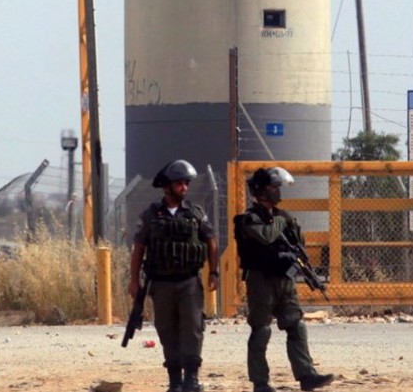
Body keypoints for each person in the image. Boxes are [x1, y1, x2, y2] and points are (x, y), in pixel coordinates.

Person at [234, 167, 334, 392]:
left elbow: (300, 243)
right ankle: (260, 383)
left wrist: (289, 222)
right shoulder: (247, 219)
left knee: (296, 326)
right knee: (261, 330)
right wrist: (281, 220)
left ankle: (306, 375)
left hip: (284, 280)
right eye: (274, 187)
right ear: (261, 191)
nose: (278, 192)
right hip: (261, 281)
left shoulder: (283, 216)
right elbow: (266, 236)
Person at [130, 159, 219, 392]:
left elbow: (211, 242)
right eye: (179, 184)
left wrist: (214, 272)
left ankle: (191, 378)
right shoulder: (151, 215)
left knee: (192, 328)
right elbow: (138, 248)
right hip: (161, 284)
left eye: (186, 184)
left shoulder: (195, 213)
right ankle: (174, 380)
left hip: (189, 281)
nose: (184, 188)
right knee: (166, 329)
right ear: (167, 186)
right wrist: (133, 281)